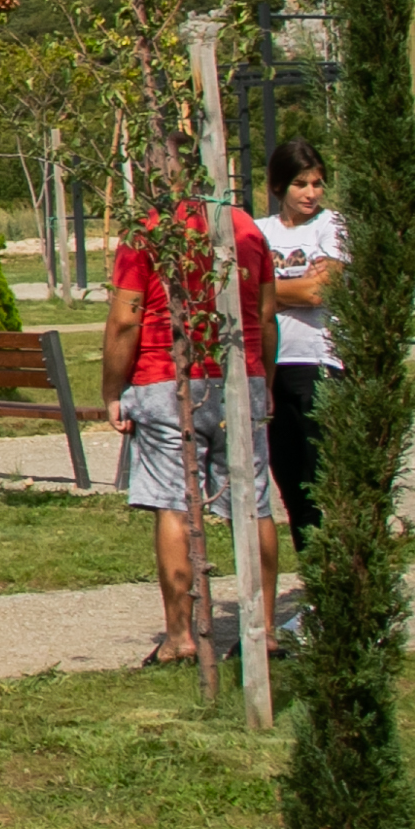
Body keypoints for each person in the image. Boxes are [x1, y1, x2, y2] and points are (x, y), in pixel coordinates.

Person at [107, 185, 274, 672]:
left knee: (174, 504)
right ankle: (262, 629)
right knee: (254, 502)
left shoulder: (147, 232)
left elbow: (126, 319)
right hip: (241, 373)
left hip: (168, 376)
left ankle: (180, 635)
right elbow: (265, 315)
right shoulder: (244, 227)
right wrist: (265, 380)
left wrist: (113, 390)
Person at [258, 142, 346, 547]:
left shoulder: (332, 226)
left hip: (318, 360)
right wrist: (289, 289)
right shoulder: (261, 231)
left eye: (317, 183)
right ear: (279, 186)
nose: (312, 193)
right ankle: (311, 564)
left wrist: (266, 291)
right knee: (289, 478)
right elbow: (237, 290)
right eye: (300, 184)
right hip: (273, 365)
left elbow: (319, 292)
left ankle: (334, 564)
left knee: (321, 475)